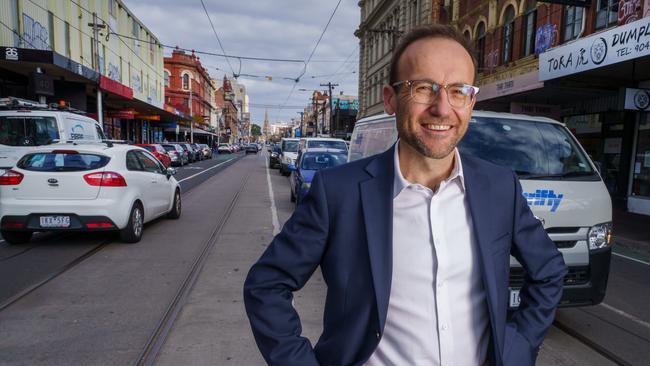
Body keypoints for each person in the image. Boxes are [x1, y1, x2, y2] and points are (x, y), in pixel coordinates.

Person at [244, 24, 567, 366]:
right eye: (424, 88)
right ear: (390, 99)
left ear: (470, 101)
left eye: (458, 91)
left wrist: (516, 350)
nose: (443, 109)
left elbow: (548, 270)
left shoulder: (499, 186)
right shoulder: (338, 193)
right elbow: (266, 286)